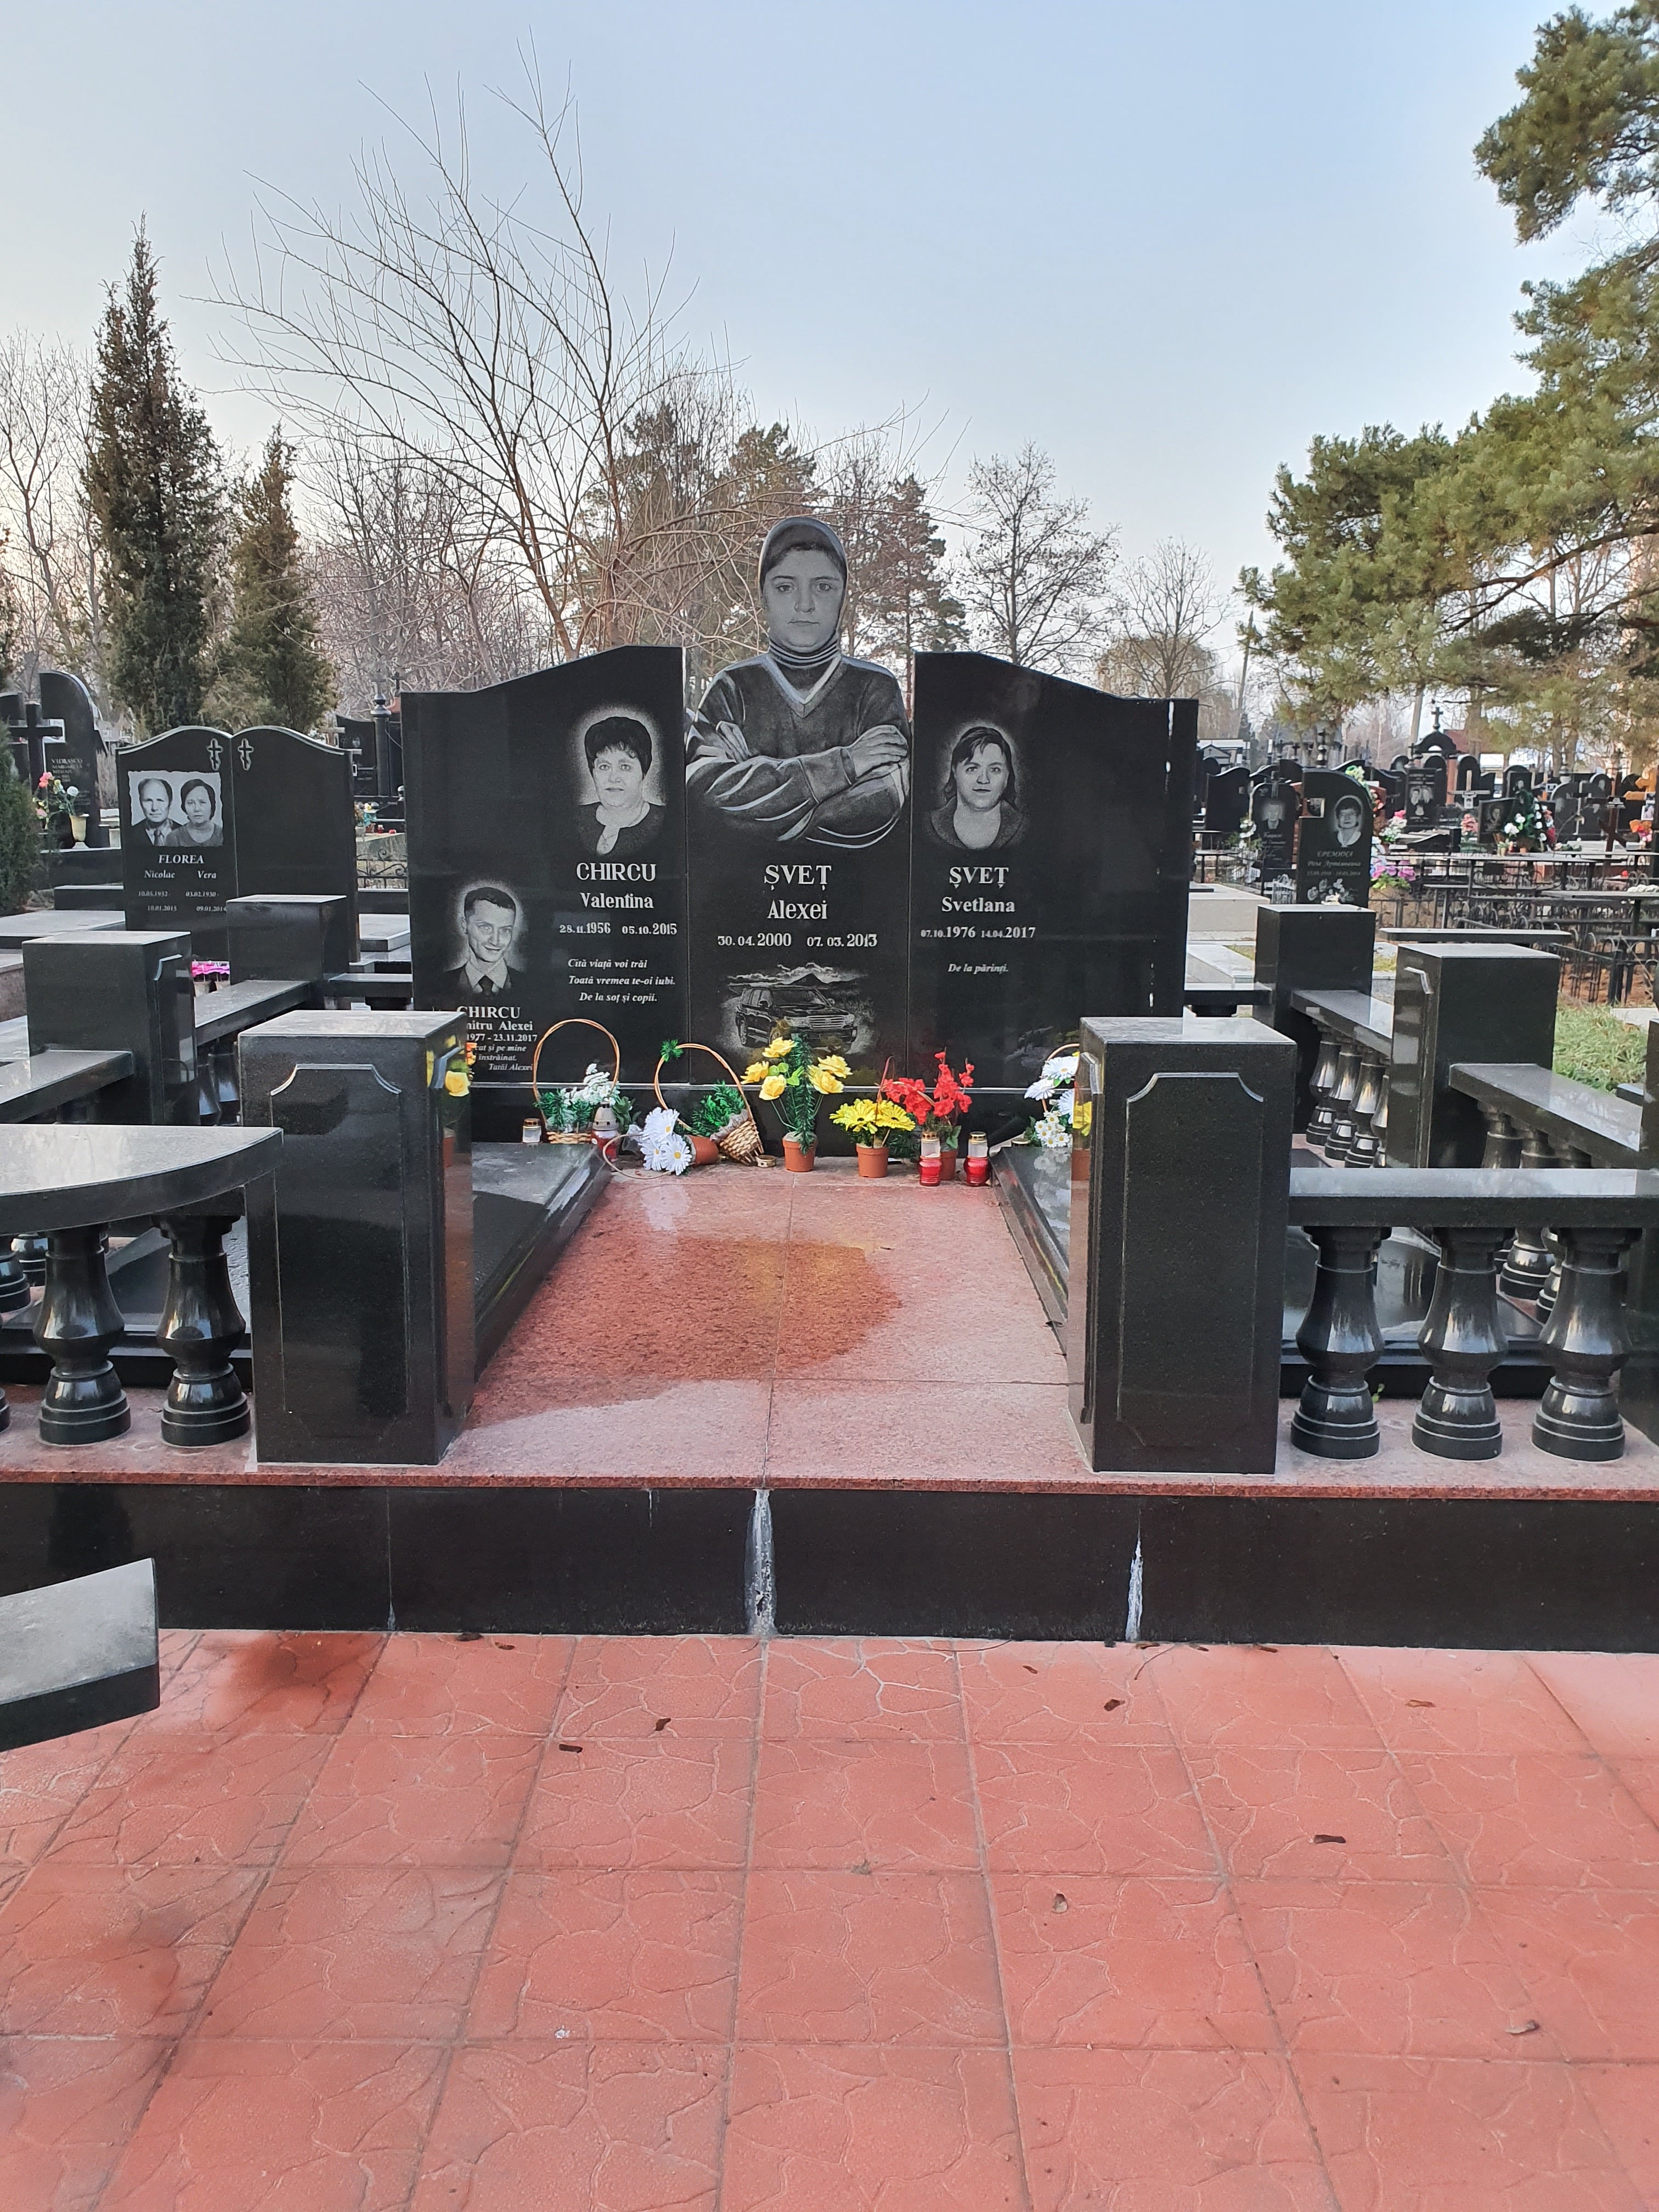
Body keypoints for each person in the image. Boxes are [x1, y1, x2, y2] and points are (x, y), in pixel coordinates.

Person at [686, 516, 909, 848]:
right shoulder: (731, 688)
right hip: (743, 880)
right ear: (763, 596)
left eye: (823, 587)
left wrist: (753, 792)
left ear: (843, 596)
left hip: (848, 879)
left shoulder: (875, 689)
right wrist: (845, 765)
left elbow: (882, 806)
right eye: (785, 587)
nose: (805, 605)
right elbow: (702, 793)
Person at [576, 715, 665, 856]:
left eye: (625, 767)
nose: (613, 778)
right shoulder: (574, 819)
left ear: (643, 772)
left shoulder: (666, 822)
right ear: (593, 772)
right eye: (604, 767)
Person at [928, 725, 1025, 850]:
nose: (983, 780)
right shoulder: (926, 826)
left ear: (1007, 774)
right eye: (972, 769)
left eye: (995, 770)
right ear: (955, 771)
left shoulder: (1027, 828)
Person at [437, 885, 526, 1001]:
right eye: (485, 927)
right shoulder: (439, 985)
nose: (495, 941)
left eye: (505, 930)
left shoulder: (533, 987)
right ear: (465, 925)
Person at [130, 775, 177, 849]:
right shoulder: (130, 834)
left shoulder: (186, 834)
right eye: (148, 801)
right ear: (140, 803)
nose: (154, 808)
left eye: (160, 800)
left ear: (170, 803)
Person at [177, 778, 222, 848]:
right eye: (191, 803)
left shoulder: (223, 835)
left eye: (202, 802)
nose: (197, 809)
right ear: (184, 807)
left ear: (212, 805)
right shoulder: (174, 838)